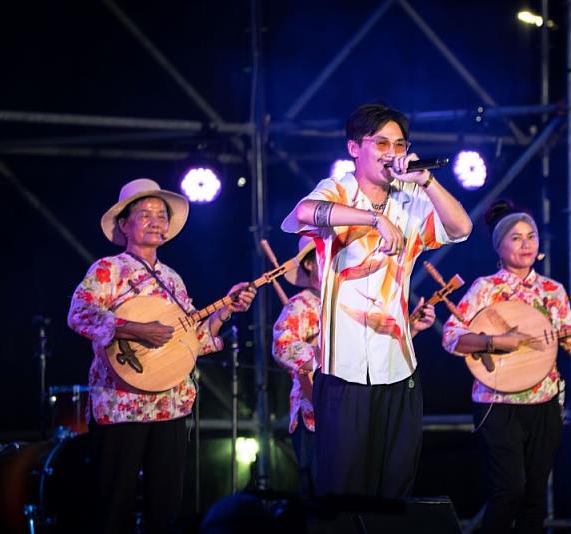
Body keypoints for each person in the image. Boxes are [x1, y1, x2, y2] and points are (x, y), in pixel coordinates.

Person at [281, 102, 472, 498]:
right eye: (381, 142)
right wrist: (372, 218)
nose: (392, 152)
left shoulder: (411, 198)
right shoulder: (337, 189)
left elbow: (462, 228)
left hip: (398, 364)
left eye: (399, 144)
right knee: (344, 488)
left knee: (394, 485)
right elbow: (302, 213)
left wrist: (428, 182)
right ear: (354, 148)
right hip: (343, 366)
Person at [67, 178, 256, 533]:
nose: (156, 221)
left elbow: (189, 340)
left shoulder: (173, 279)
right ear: (124, 224)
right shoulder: (108, 270)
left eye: (161, 215)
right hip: (120, 402)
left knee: (166, 505)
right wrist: (135, 329)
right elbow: (79, 314)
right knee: (114, 503)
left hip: (170, 402)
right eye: (145, 214)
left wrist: (224, 312)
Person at [441, 200, 571, 534]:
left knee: (534, 497)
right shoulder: (486, 289)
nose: (527, 243)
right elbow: (452, 337)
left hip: (545, 402)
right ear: (499, 246)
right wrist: (495, 342)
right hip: (497, 403)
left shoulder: (552, 291)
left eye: (531, 236)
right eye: (516, 238)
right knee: (508, 490)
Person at [271, 236, 438, 496]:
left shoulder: (358, 303)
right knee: (324, 499)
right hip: (316, 417)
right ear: (308, 264)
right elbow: (282, 345)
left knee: (362, 495)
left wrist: (412, 329)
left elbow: (375, 352)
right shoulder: (302, 304)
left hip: (358, 413)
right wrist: (326, 352)